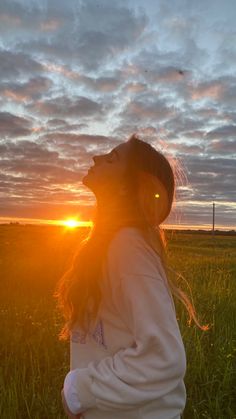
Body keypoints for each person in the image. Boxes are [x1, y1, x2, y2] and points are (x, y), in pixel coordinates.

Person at [54, 133, 207, 419]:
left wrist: (79, 390)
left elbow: (163, 357)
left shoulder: (127, 246)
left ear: (128, 187)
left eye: (112, 158)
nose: (96, 158)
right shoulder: (109, 243)